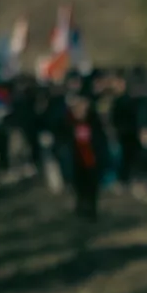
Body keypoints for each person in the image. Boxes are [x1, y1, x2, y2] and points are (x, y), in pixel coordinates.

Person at [55, 73, 105, 221]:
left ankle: (91, 211)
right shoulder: (66, 124)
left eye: (84, 106)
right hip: (76, 162)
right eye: (78, 106)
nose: (81, 109)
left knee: (92, 188)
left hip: (92, 161)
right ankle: (81, 210)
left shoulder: (93, 122)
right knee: (79, 188)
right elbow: (62, 143)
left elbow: (100, 141)